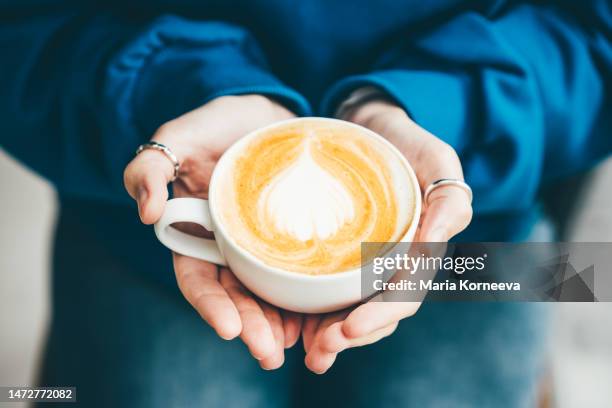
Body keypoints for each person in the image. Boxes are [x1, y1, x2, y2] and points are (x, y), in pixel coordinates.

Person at [1, 1, 610, 406]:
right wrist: (168, 94)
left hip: (465, 214)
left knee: (581, 276)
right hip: (155, 205)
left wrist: (443, 110)